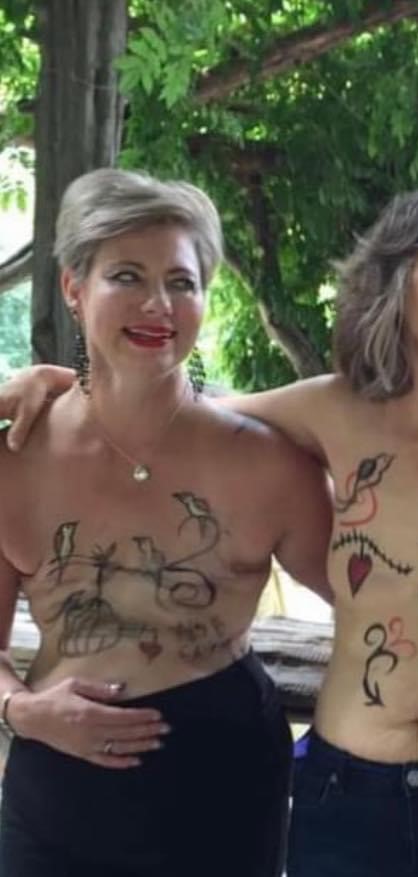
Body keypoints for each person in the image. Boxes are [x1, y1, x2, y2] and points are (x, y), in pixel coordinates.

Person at [0, 179, 418, 875]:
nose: (158, 303)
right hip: (310, 790)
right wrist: (55, 380)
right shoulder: (325, 411)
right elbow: (156, 403)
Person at [0, 168, 333, 877]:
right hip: (59, 787)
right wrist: (20, 711)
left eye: (182, 282)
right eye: (127, 275)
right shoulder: (13, 457)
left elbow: (373, 593)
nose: (158, 304)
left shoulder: (267, 462)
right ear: (73, 286)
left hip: (223, 779)